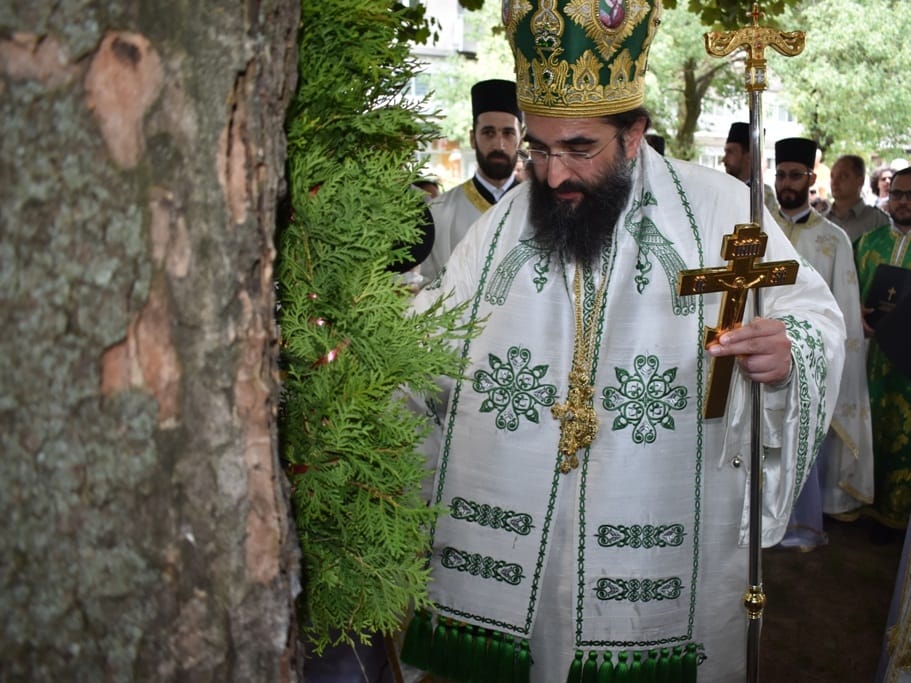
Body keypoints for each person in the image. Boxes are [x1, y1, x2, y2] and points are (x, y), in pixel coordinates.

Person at [400, 1, 846, 681]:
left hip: (664, 517)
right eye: (539, 149)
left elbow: (814, 317)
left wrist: (789, 352)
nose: (553, 175)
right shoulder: (505, 223)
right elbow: (437, 332)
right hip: (530, 535)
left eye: (579, 149)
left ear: (633, 134)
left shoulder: (720, 209)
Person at [769, 137, 874, 550]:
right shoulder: (757, 229)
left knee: (799, 442)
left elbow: (845, 312)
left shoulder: (833, 239)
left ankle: (795, 524)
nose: (787, 182)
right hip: (758, 357)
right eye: (780, 174)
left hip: (806, 359)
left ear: (811, 179)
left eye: (796, 174)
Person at [420, 79, 524, 285]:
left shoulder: (541, 208)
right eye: (488, 132)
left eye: (508, 132)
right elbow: (428, 288)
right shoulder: (439, 213)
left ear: (520, 139)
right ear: (472, 138)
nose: (499, 144)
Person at [855, 166, 911, 538]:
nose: (904, 201)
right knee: (870, 428)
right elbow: (849, 292)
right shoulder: (866, 243)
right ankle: (863, 505)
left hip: (907, 364)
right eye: (898, 194)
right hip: (869, 358)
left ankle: (899, 514)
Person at [826, 154, 890, 243]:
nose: (834, 182)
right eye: (832, 176)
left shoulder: (877, 221)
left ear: (860, 180)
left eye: (843, 176)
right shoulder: (820, 219)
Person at [722, 121, 777, 212]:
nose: (724, 160)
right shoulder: (720, 188)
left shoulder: (764, 196)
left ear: (749, 156)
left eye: (730, 152)